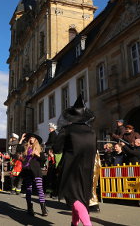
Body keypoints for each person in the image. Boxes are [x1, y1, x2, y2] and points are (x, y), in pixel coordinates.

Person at [53, 95, 96, 226]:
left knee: (72, 197)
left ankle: (88, 224)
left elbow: (56, 149)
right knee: (82, 197)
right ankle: (74, 223)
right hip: (87, 168)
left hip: (70, 167)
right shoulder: (91, 131)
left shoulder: (66, 130)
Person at [18, 132, 47, 216]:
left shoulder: (39, 149)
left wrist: (38, 155)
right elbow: (18, 150)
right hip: (27, 171)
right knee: (28, 190)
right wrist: (21, 139)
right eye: (30, 138)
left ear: (35, 140)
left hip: (36, 171)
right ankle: (30, 208)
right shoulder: (26, 147)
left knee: (40, 189)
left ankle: (43, 208)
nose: (31, 139)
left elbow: (43, 160)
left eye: (33, 138)